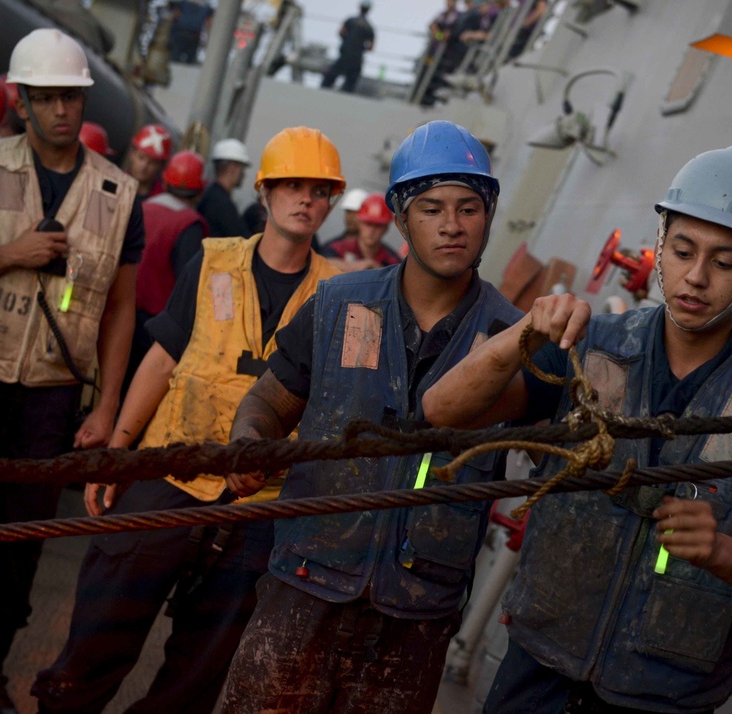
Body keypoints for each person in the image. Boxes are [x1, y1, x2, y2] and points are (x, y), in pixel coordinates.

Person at [423, 145, 732, 714]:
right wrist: (524, 333)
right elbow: (441, 410)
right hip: (537, 669)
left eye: (724, 263)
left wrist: (719, 549)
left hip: (663, 695)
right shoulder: (591, 345)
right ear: (661, 243)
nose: (695, 277)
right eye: (682, 251)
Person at [31, 127, 343, 714]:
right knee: (98, 633)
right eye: (292, 185)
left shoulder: (339, 294)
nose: (306, 199)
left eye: (320, 190)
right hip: (170, 471)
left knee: (198, 672)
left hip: (260, 503)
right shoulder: (214, 260)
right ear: (265, 191)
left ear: (332, 202)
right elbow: (163, 358)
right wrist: (119, 452)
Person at [218, 120, 521, 714]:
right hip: (305, 584)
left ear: (488, 214)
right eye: (431, 209)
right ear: (401, 218)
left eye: (469, 208)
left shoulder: (512, 337)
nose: (453, 225)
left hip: (418, 613)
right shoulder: (337, 305)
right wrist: (249, 440)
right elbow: (269, 401)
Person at [0, 28, 143, 714]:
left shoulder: (119, 193)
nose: (62, 109)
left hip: (50, 396)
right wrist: (11, 254)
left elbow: (121, 309)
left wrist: (106, 407)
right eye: (47, 96)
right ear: (21, 100)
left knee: (20, 539)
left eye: (72, 97)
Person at [127, 149, 209, 391]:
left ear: (164, 181)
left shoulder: (140, 208)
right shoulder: (189, 225)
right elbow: (190, 285)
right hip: (155, 333)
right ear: (200, 190)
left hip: (120, 316)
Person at [320, 192, 400, 272]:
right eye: (368, 224)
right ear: (359, 223)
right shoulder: (337, 249)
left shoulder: (393, 260)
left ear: (386, 228)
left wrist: (378, 270)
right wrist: (351, 266)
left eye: (378, 226)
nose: (371, 231)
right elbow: (319, 263)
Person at [198, 137, 251, 239]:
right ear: (233, 167)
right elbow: (242, 239)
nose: (243, 174)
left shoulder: (210, 194)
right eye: (242, 168)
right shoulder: (222, 204)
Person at [320, 1, 375, 93]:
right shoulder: (369, 27)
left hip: (345, 54)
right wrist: (362, 47)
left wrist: (347, 40)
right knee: (351, 82)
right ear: (368, 10)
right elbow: (371, 47)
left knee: (330, 76)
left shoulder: (351, 20)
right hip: (357, 57)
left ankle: (322, 92)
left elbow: (341, 32)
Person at [127, 123, 172, 201]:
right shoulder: (116, 181)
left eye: (152, 163)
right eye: (141, 158)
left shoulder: (161, 198)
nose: (144, 166)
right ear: (132, 154)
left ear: (160, 165)